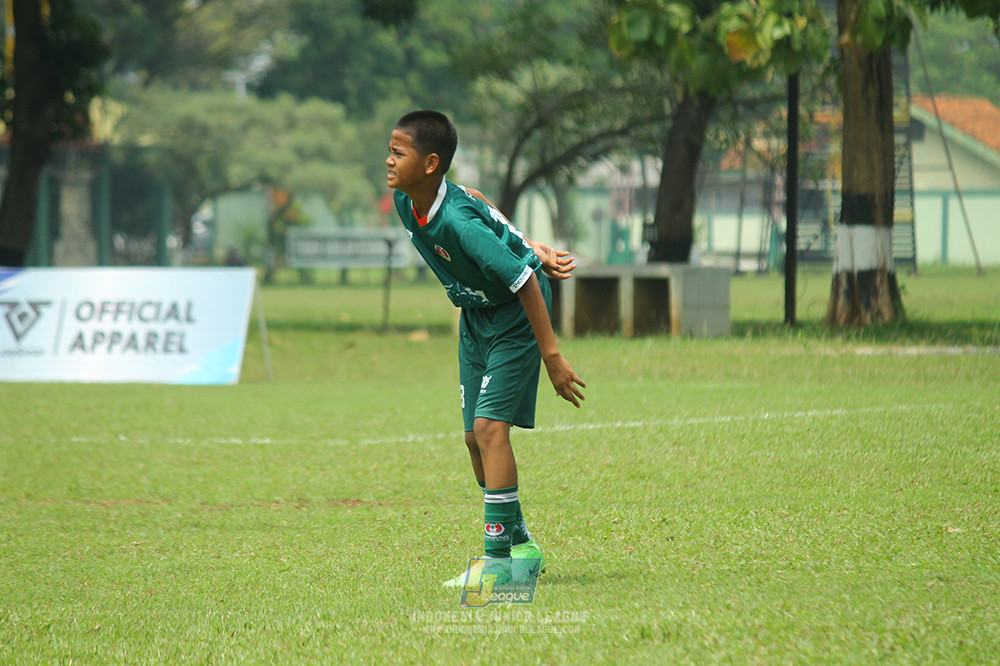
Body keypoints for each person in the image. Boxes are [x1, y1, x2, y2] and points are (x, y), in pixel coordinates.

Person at [386, 110, 586, 586]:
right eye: (390, 150)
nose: (389, 161)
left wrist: (552, 356)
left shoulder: (458, 224)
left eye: (398, 152)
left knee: (490, 429)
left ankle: (497, 565)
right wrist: (524, 239)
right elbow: (476, 200)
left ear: (431, 163)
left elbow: (524, 282)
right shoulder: (405, 200)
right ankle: (522, 546)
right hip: (476, 317)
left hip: (517, 313)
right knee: (475, 441)